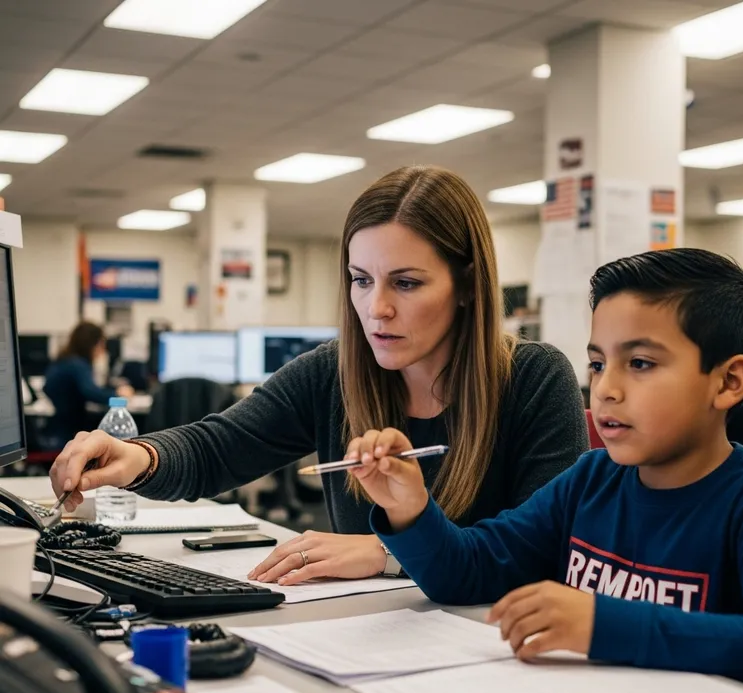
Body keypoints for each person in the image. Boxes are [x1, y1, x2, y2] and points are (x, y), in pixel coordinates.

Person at [346, 248, 743, 693]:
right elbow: (467, 571)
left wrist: (603, 624)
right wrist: (410, 508)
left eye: (640, 363)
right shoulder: (590, 480)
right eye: (597, 362)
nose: (606, 388)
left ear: (728, 382)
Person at [49, 165, 588, 584]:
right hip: (362, 632)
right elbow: (221, 447)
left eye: (405, 283)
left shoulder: (535, 380)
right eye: (360, 280)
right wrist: (140, 457)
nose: (375, 308)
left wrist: (388, 553)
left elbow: (539, 550)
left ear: (468, 284)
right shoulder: (334, 372)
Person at [42, 322, 133, 448]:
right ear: (93, 344)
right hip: (68, 433)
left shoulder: (65, 360)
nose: (103, 350)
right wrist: (118, 395)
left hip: (59, 427)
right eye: (102, 344)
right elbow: (91, 392)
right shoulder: (77, 365)